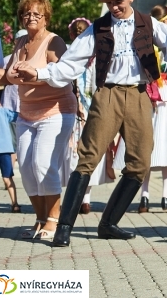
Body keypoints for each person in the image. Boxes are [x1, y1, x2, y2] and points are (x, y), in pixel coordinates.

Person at [13, 0, 167, 247]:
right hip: (108, 93)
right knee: (88, 158)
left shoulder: (149, 23)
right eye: (110, 2)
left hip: (140, 94)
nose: (115, 6)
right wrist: (37, 73)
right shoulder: (97, 28)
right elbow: (69, 65)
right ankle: (64, 228)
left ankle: (108, 223)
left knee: (140, 163)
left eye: (120, 0)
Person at [0, 0, 79, 241]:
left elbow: (63, 76)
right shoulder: (20, 43)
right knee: (27, 170)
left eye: (36, 14)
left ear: (46, 17)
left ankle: (54, 219)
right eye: (26, 14)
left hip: (56, 111)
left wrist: (36, 75)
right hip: (26, 113)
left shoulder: (54, 42)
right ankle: (40, 219)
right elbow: (6, 78)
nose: (30, 17)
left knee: (42, 165)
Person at [113, 5, 167, 213]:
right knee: (166, 144)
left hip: (146, 91)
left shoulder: (143, 39)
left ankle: (144, 198)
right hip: (166, 92)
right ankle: (166, 197)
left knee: (145, 144)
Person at [65, 18, 115, 215]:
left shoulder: (70, 57)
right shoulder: (97, 58)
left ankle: (77, 199)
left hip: (77, 110)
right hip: (92, 110)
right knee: (91, 152)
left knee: (76, 154)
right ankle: (85, 198)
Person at [0, 86, 19, 212]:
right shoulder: (2, 111)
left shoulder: (3, 111)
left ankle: (15, 204)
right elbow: (17, 116)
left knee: (7, 178)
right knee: (7, 178)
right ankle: (15, 204)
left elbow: (17, 116)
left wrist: (0, 106)